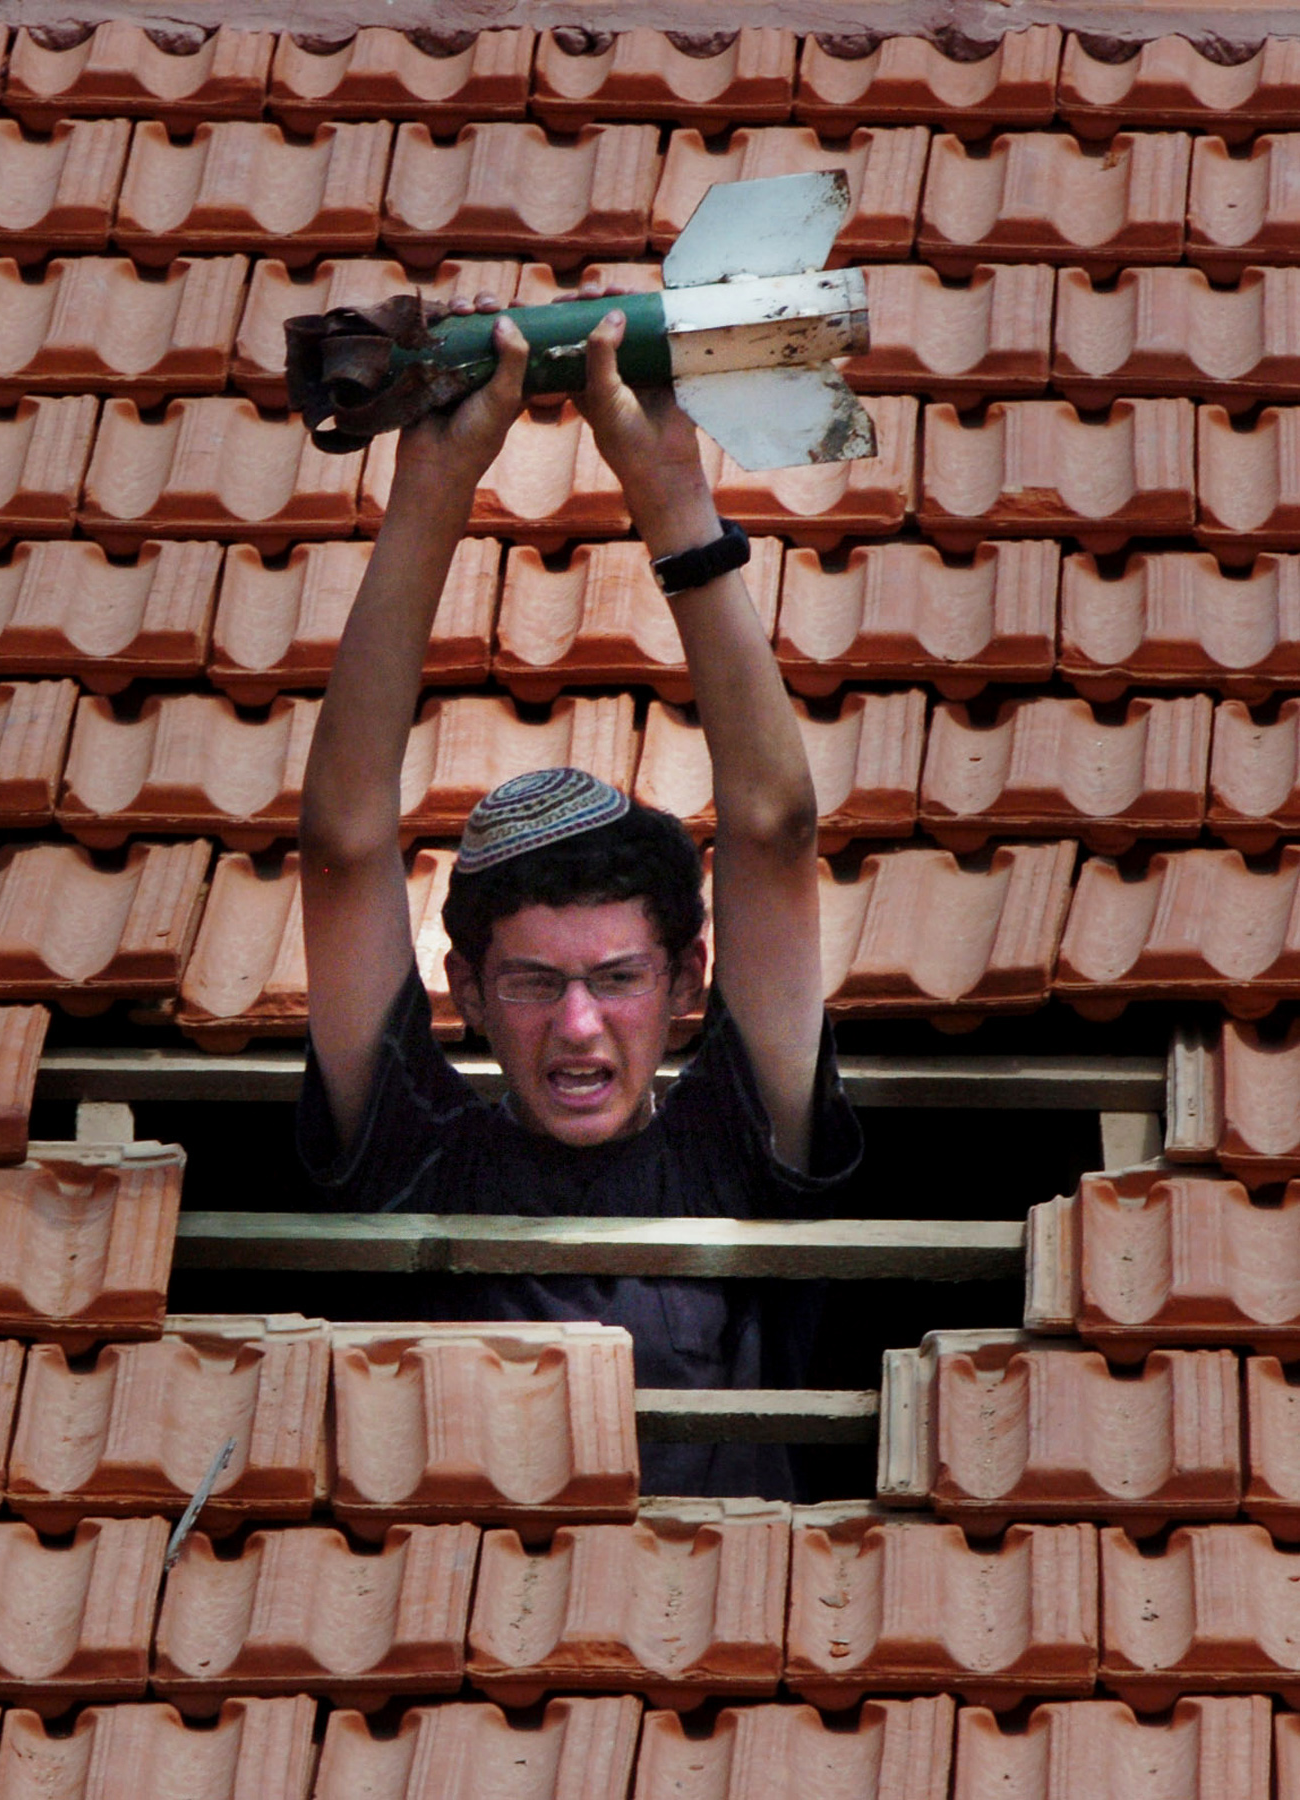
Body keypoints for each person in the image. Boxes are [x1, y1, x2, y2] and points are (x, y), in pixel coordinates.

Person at [297, 302, 862, 1497]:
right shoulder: (416, 1156)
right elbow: (345, 846)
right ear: (467, 994)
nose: (580, 1028)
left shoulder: (732, 1151)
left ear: (687, 982)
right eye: (535, 984)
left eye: (617, 979)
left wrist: (668, 490)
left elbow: (773, 828)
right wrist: (434, 492)